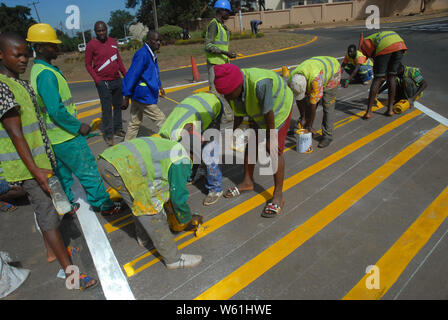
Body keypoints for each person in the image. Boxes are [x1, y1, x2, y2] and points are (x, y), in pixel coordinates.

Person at [0, 32, 96, 290]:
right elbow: (15, 133)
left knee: (49, 212)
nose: (23, 59)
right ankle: (71, 274)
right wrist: (36, 171)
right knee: (48, 217)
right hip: (29, 167)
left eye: (25, 53)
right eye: (16, 54)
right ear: (1, 55)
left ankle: (52, 250)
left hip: (39, 163)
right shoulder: (3, 87)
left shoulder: (18, 82)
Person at [27, 23, 120, 216]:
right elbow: (56, 110)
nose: (57, 47)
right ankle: (104, 204)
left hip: (55, 137)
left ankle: (68, 204)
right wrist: (79, 127)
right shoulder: (45, 74)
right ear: (40, 47)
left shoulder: (38, 70)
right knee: (87, 170)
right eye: (52, 45)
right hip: (66, 135)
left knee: (63, 174)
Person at [97, 136, 202, 270]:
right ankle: (173, 259)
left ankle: (143, 236)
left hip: (109, 159)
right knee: (151, 212)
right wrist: (186, 219)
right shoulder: (182, 160)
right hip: (121, 167)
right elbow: (178, 197)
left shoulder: (171, 146)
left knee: (138, 202)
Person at [214, 64, 293, 218]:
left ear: (237, 86)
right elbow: (238, 113)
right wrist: (235, 133)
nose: (228, 98)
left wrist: (270, 138)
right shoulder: (232, 91)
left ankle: (278, 195)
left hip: (278, 110)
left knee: (273, 151)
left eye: (229, 94)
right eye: (225, 95)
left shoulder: (260, 84)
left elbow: (268, 113)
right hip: (258, 111)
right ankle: (248, 182)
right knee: (251, 145)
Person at [158, 92, 224, 206]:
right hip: (195, 107)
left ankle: (215, 188)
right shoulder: (165, 137)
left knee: (209, 152)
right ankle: (194, 171)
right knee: (188, 154)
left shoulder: (188, 135)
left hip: (212, 105)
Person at [85, 21, 127, 146]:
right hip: (103, 83)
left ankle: (118, 129)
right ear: (95, 32)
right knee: (107, 110)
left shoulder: (113, 42)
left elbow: (118, 61)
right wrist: (97, 80)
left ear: (107, 29)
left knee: (118, 106)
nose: (101, 32)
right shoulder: (91, 45)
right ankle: (108, 134)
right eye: (99, 31)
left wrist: (126, 76)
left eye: (103, 30)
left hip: (116, 80)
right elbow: (87, 65)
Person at [288, 56, 342, 148]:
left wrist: (309, 125)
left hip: (333, 73)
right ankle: (305, 126)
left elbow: (313, 104)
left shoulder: (315, 80)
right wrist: (303, 117)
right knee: (307, 101)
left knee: (328, 105)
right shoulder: (292, 79)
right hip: (317, 68)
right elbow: (299, 99)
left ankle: (328, 135)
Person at [122, 30, 167, 141]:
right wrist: (126, 96)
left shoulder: (151, 53)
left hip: (139, 96)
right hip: (144, 96)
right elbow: (132, 74)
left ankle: (127, 145)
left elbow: (154, 73)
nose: (158, 43)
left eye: (159, 40)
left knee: (134, 122)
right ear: (148, 41)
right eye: (156, 40)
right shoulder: (142, 54)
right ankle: (171, 141)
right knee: (162, 120)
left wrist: (160, 86)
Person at [359, 30, 407, 119]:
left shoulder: (365, 42)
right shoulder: (375, 37)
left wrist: (379, 73)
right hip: (400, 46)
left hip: (386, 47)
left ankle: (369, 112)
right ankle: (390, 110)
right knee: (392, 77)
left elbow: (374, 56)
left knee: (377, 78)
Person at [205, 0, 237, 124]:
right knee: (215, 92)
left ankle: (227, 115)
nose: (228, 14)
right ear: (220, 11)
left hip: (223, 63)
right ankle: (221, 116)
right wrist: (226, 53)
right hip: (215, 63)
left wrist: (227, 55)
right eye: (227, 11)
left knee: (226, 90)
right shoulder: (214, 25)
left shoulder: (222, 25)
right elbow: (208, 45)